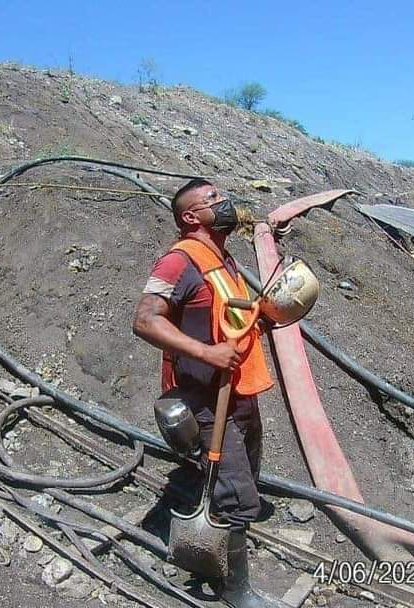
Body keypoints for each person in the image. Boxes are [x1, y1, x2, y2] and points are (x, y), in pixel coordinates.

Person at [132, 179, 284, 608]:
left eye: (221, 196)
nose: (224, 203)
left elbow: (226, 318)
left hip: (237, 390)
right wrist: (206, 352)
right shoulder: (178, 261)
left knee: (246, 474)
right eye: (212, 200)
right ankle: (235, 591)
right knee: (236, 493)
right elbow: (145, 320)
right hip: (204, 397)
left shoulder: (222, 259)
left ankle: (229, 516)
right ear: (190, 217)